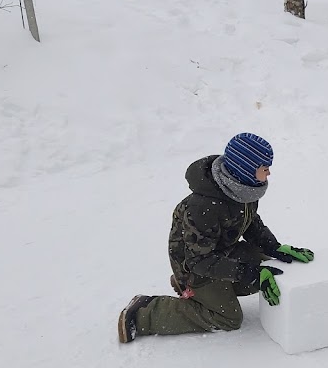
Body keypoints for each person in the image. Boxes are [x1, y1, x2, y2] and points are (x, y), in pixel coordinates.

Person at [117, 133, 315, 344]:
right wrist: (249, 273)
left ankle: (205, 292)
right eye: (265, 168)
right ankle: (144, 313)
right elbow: (199, 260)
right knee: (228, 317)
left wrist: (275, 248)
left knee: (268, 267)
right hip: (194, 265)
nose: (269, 173)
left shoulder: (242, 191)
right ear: (246, 169)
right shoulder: (203, 207)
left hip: (217, 254)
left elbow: (251, 224)